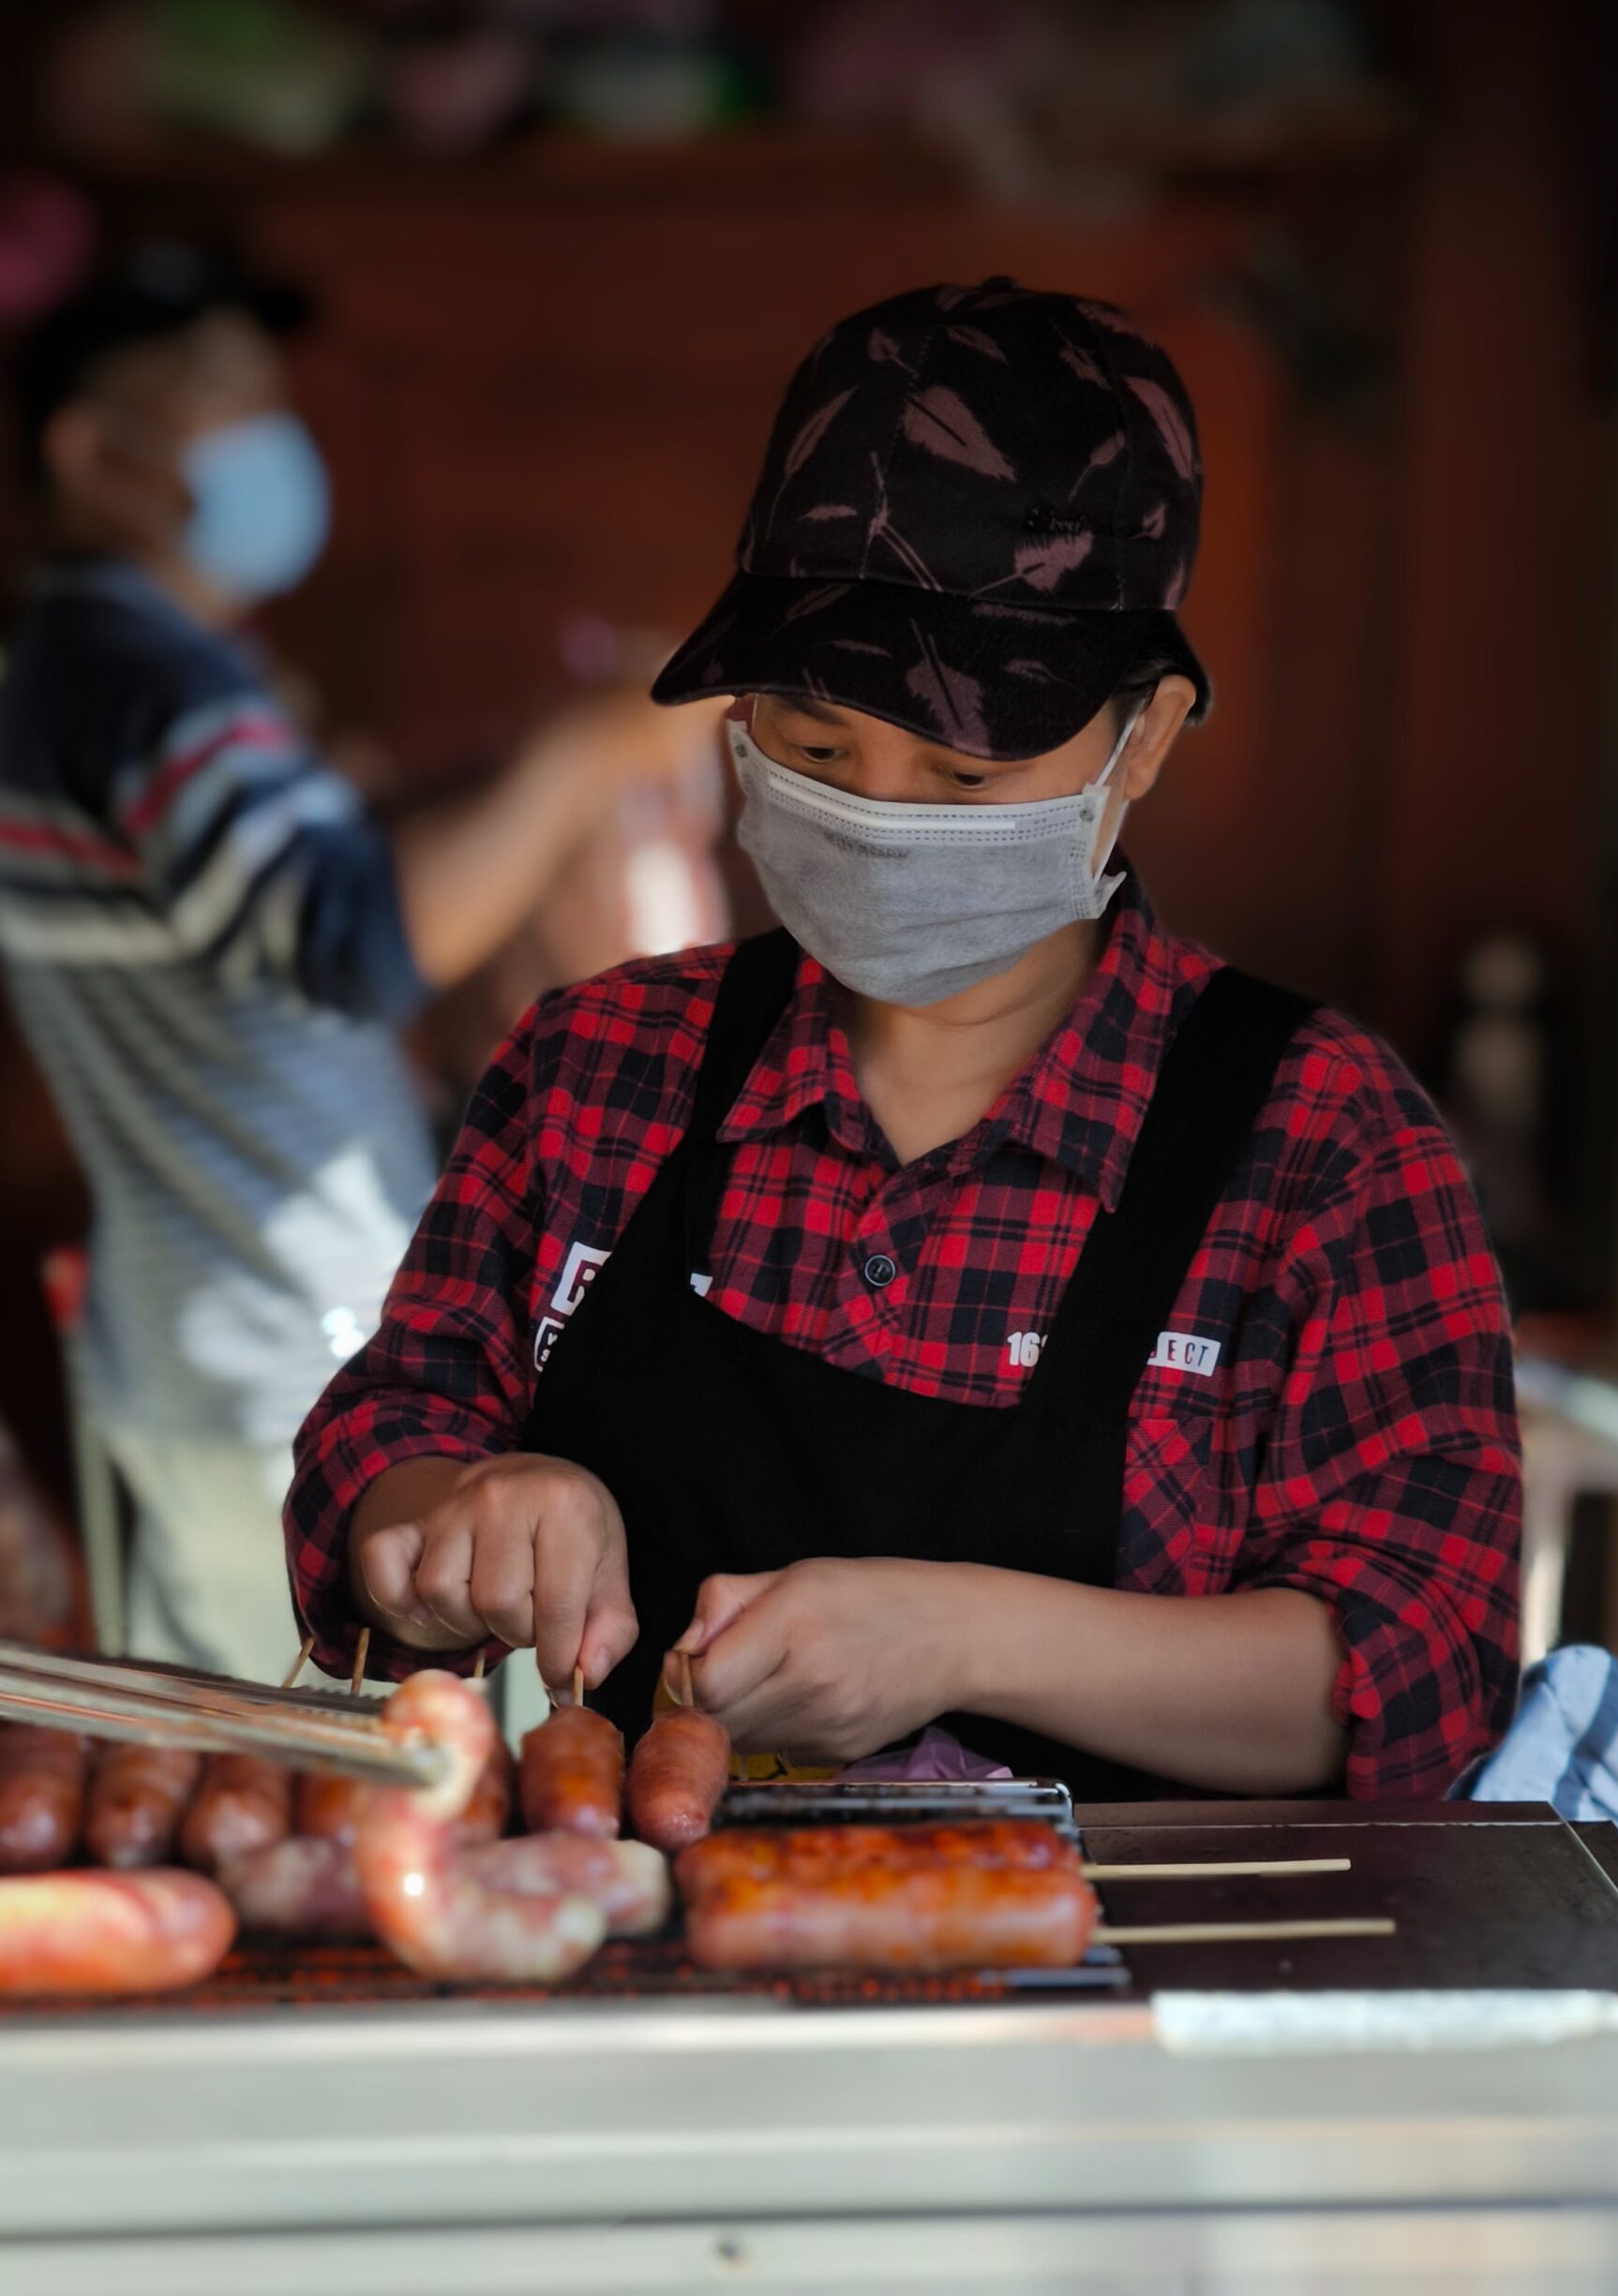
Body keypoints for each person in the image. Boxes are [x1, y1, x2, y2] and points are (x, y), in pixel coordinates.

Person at [287, 277, 1521, 1798]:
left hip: (1136, 2005)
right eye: (813, 747)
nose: (874, 817)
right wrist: (460, 1510)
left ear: (1142, 737)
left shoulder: (1323, 1143)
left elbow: (1422, 1667)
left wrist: (965, 1638)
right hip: (627, 1972)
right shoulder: (600, 1065)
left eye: (958, 775)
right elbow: (377, 1446)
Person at [0, 242, 722, 1682]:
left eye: (270, 397)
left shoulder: (118, 673)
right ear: (91, 451)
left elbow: (320, 889)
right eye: (217, 400)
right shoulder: (131, 673)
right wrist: (588, 746)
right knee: (347, 1804)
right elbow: (352, 939)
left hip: (224, 1333)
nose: (268, 436)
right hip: (287, 1355)